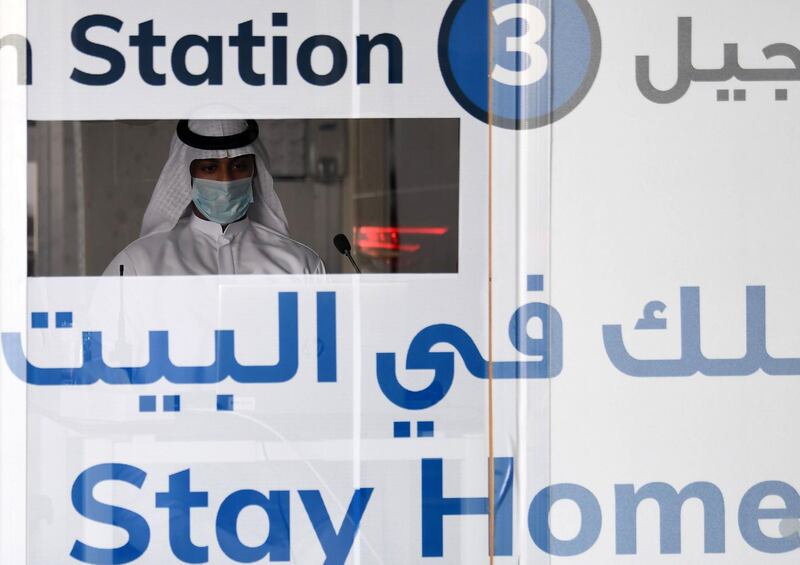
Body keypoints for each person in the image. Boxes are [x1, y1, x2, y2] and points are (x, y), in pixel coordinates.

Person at [103, 119, 324, 275]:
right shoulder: (140, 263)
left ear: (254, 172)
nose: (226, 181)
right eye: (210, 168)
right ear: (187, 175)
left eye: (239, 166)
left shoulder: (299, 264)